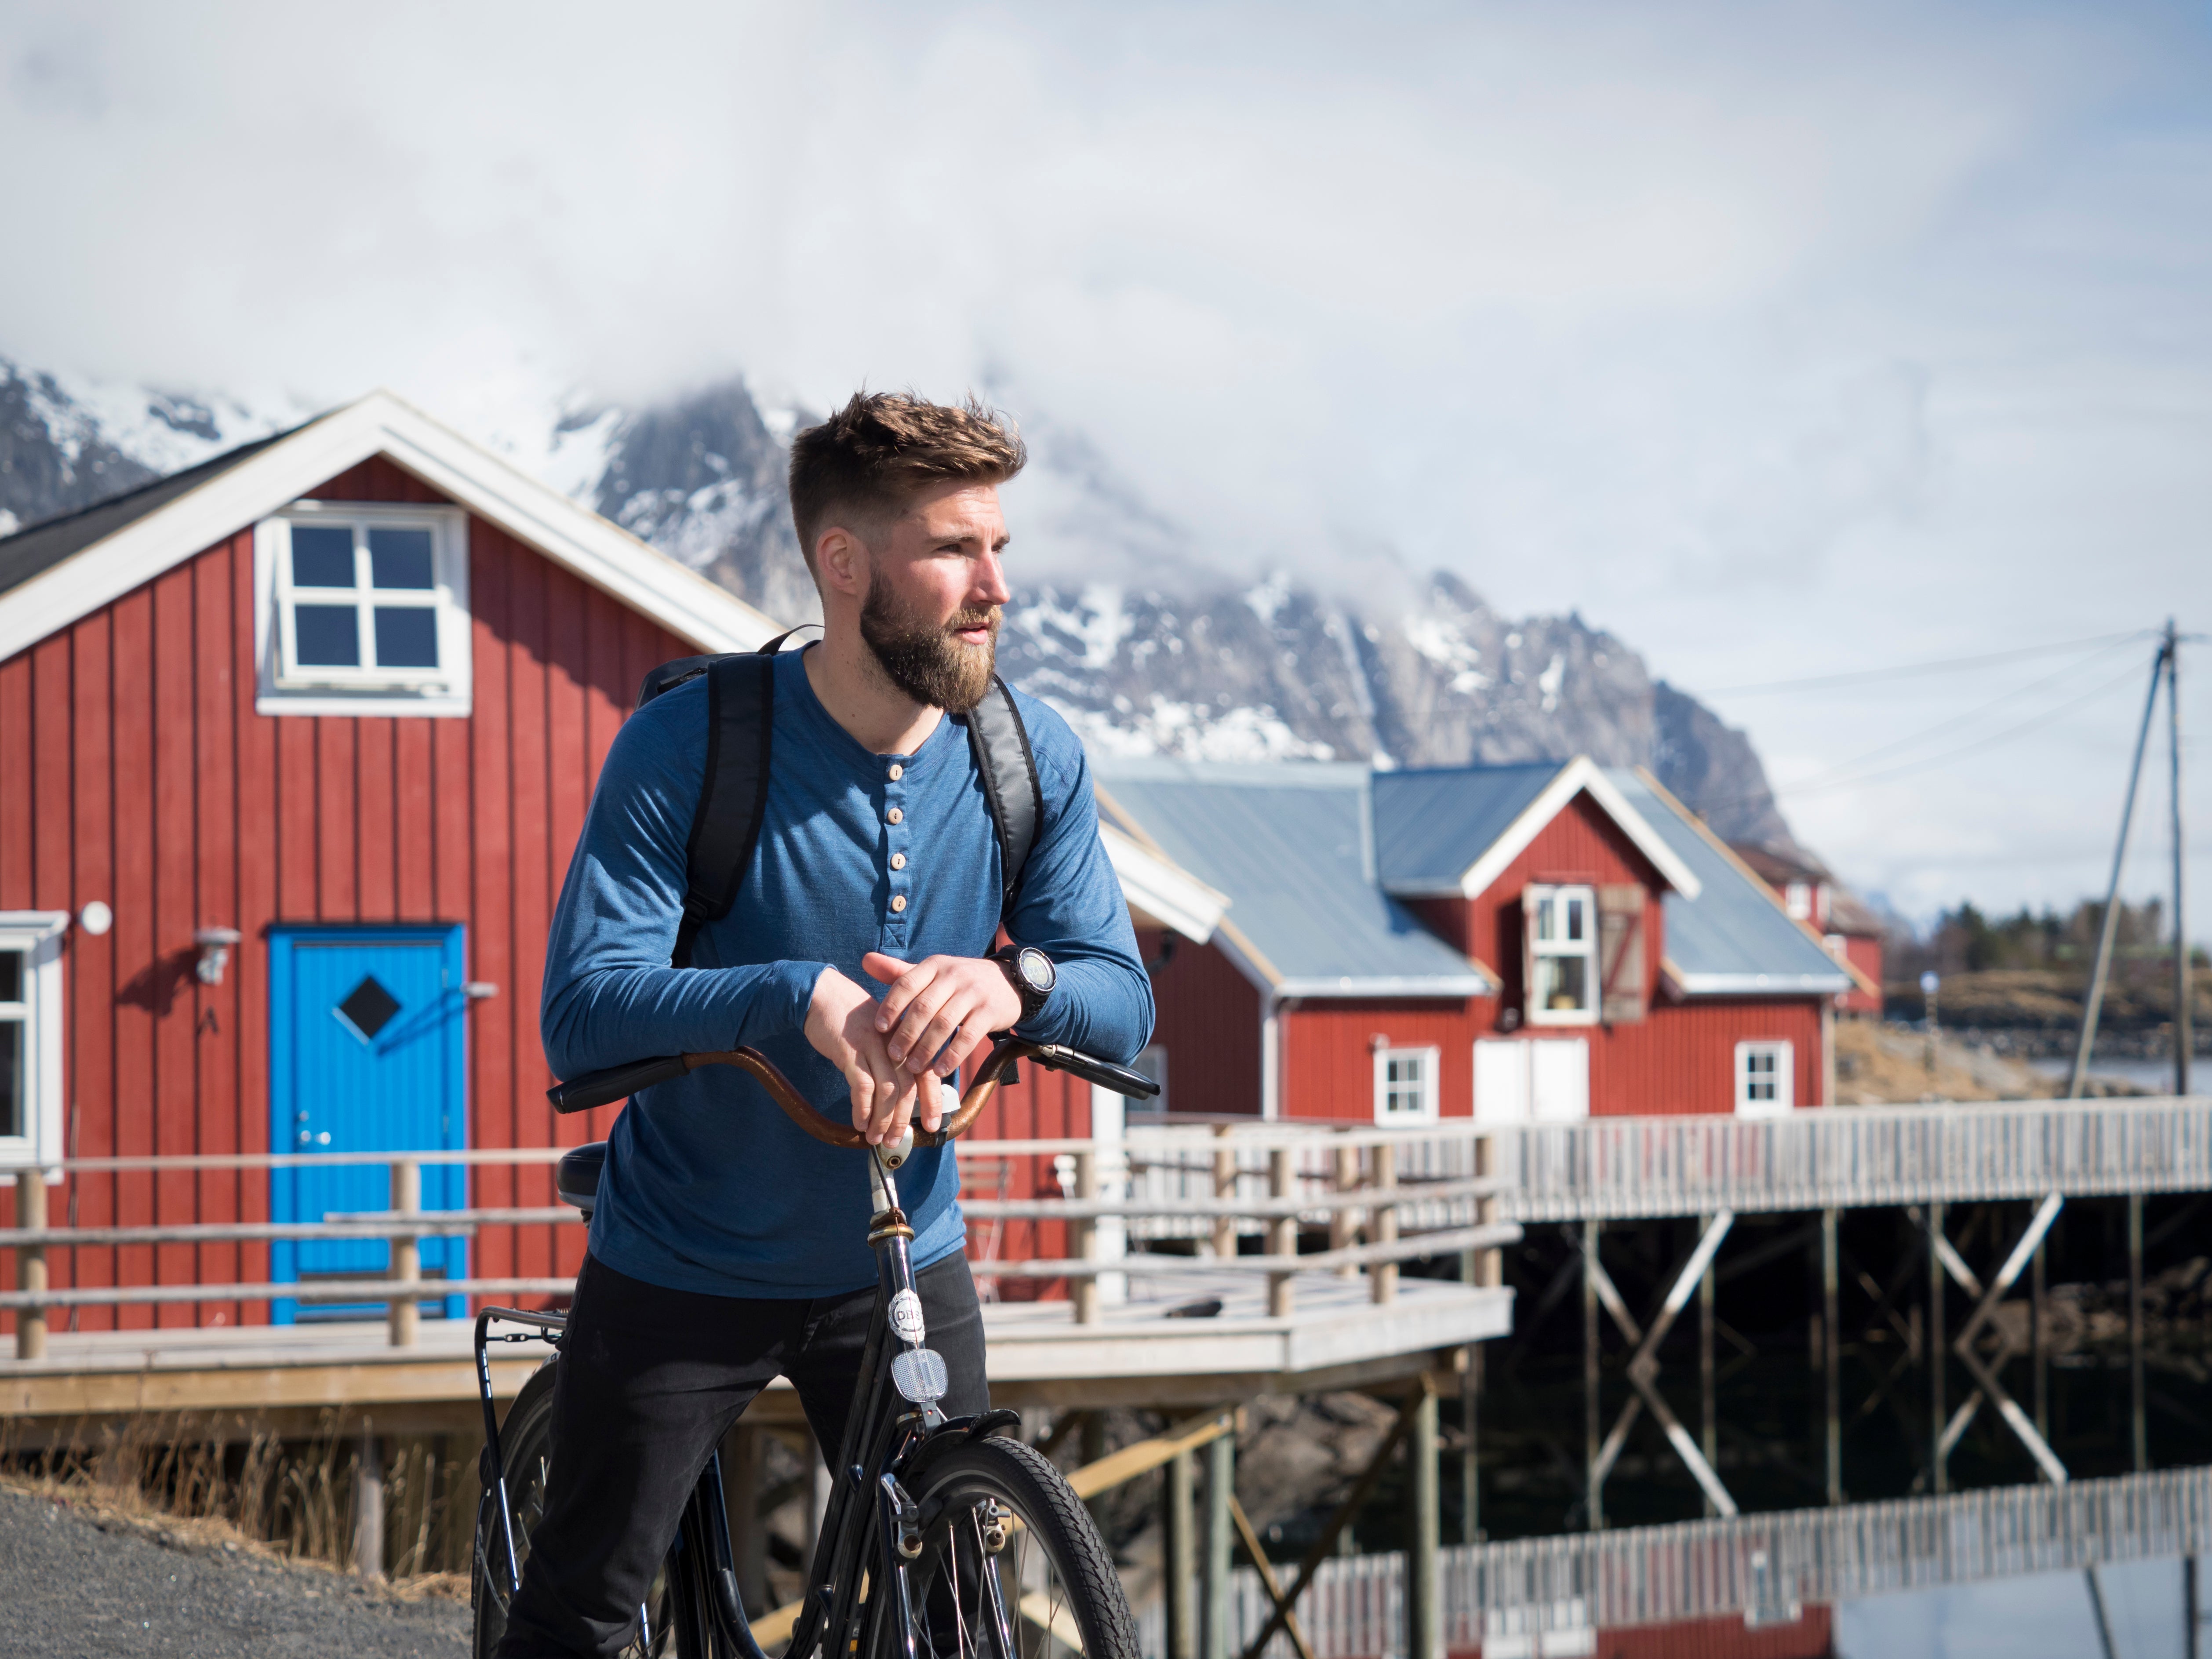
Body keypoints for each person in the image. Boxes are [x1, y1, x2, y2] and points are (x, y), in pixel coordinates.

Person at [497, 392, 1154, 1657]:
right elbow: (581, 1013)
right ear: (844, 564)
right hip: (686, 1258)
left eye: (1000, 549)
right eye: (955, 549)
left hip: (906, 1263)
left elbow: (1122, 1002)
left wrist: (1018, 985)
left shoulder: (1030, 757)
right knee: (583, 1611)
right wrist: (789, 992)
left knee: (963, 1624)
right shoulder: (689, 744)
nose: (994, 587)